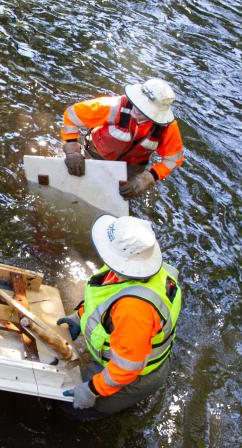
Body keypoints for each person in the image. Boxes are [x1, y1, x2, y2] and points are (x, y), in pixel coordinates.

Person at [58, 215, 182, 418]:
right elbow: (103, 298)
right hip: (128, 353)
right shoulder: (131, 270)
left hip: (134, 377)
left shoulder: (134, 309)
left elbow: (127, 368)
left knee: (70, 406)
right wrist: (79, 316)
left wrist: (91, 389)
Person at [60, 78, 184, 199]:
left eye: (144, 110)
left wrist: (148, 178)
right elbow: (72, 115)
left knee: (117, 197)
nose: (136, 109)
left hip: (129, 171)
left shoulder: (167, 127)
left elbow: (173, 159)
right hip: (93, 154)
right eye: (137, 103)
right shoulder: (113, 106)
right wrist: (72, 149)